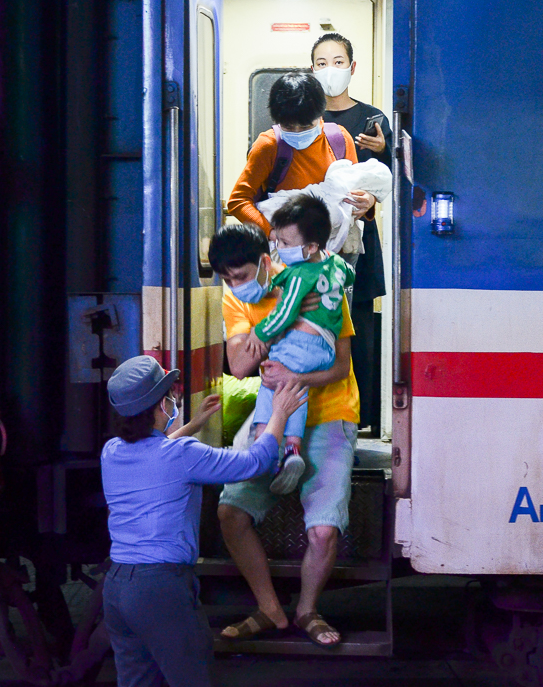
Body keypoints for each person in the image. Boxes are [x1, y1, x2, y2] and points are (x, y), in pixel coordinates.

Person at [100, 354, 306, 686]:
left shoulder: (111, 452)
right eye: (168, 396)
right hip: (161, 590)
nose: (173, 400)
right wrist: (279, 414)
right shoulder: (183, 455)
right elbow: (255, 462)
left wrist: (192, 425)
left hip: (118, 589)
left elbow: (157, 457)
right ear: (157, 407)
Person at [208, 223, 360, 647]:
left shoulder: (322, 284)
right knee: (230, 513)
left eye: (241, 276)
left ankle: (307, 611)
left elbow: (340, 368)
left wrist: (291, 371)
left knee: (324, 531)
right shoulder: (237, 300)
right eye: (227, 279)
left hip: (331, 412)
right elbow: (238, 365)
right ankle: (270, 610)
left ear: (265, 261)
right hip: (273, 417)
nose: (235, 286)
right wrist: (289, 314)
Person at [244, 194, 355, 496]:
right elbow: (351, 274)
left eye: (286, 244)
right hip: (324, 347)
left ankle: (263, 446)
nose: (280, 248)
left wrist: (260, 333)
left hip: (301, 344)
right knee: (294, 387)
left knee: (272, 383)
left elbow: (285, 313)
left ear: (311, 247)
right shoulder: (335, 264)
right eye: (277, 240)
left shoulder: (300, 275)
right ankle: (292, 448)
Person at [313, 33, 392, 431]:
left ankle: (359, 421)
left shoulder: (373, 121)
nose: (331, 70)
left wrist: (373, 205)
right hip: (311, 244)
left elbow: (390, 185)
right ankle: (314, 421)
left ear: (353, 67)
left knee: (357, 329)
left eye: (338, 61)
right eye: (322, 62)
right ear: (311, 70)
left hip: (358, 247)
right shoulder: (300, 120)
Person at [227, 71, 376, 236]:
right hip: (286, 248)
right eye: (289, 127)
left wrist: (368, 200)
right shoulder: (268, 145)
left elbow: (356, 189)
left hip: (334, 249)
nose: (297, 132)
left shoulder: (339, 139)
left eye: (305, 127)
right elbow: (238, 201)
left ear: (320, 115)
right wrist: (273, 234)